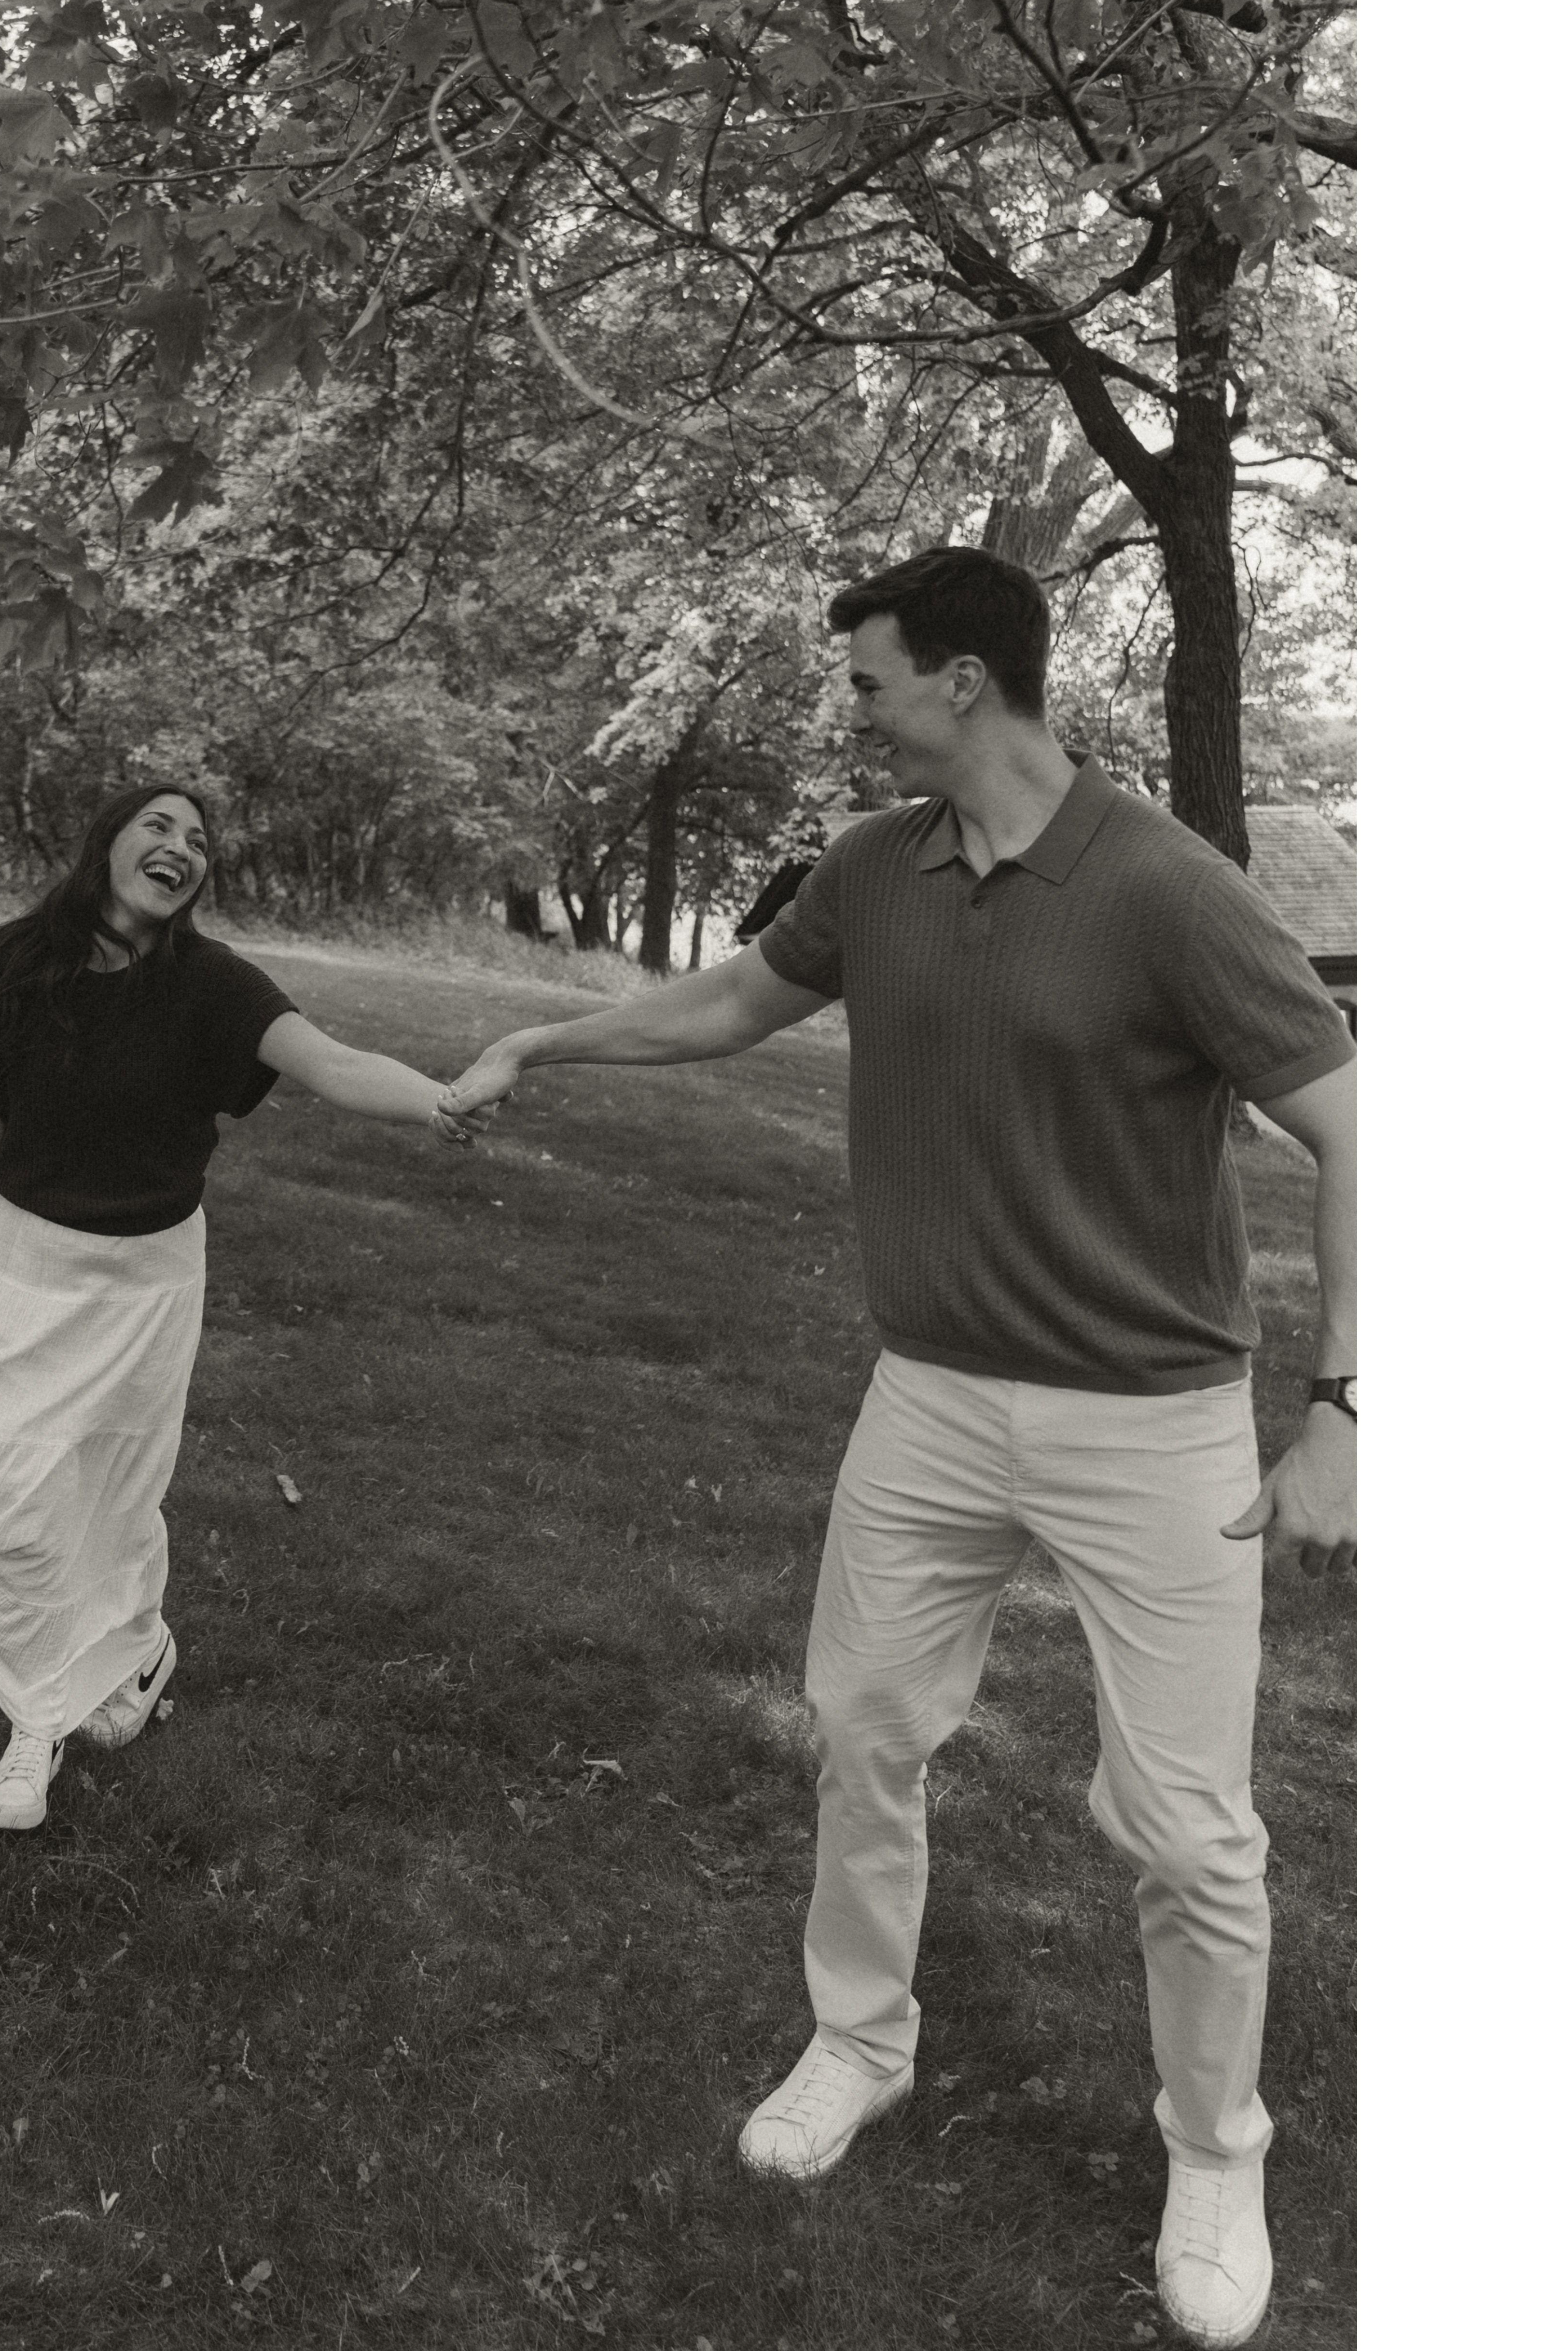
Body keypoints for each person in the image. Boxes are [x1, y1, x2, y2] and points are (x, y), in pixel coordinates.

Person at [437, 549, 1354, 2351]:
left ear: (963, 680)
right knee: (861, 1729)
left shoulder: (1171, 890)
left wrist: (1344, 1411)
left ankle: (1214, 2149)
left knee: (1187, 1829)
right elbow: (730, 1004)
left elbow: (1362, 1128)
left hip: (1154, 1424)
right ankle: (860, 2043)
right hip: (928, 1399)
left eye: (867, 680)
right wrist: (545, 1037)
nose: (849, 709)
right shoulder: (874, 865)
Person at [0, 782, 488, 1832]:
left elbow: (330, 1062)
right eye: (160, 825)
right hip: (23, 1264)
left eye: (200, 841)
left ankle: (110, 1668)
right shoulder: (19, 961)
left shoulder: (212, 986)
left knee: (114, 1496)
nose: (182, 846)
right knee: (17, 1495)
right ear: (109, 842)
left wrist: (440, 1102)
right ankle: (47, 1708)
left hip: (145, 1286)